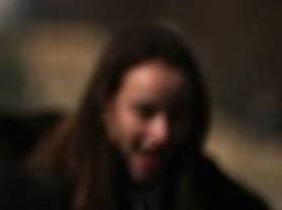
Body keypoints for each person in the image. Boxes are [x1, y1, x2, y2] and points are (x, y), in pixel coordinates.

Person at [30, 23, 268, 210]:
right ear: (107, 109)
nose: (161, 133)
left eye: (177, 114)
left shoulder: (216, 199)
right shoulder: (47, 192)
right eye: (145, 112)